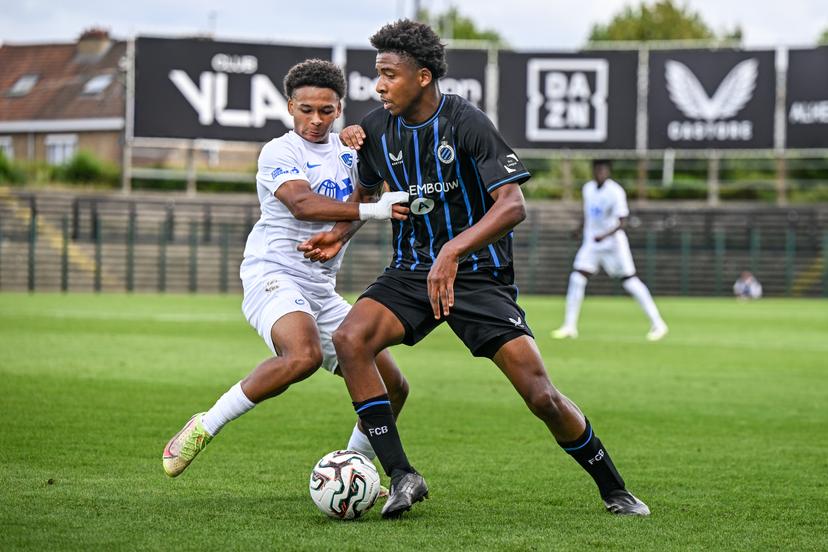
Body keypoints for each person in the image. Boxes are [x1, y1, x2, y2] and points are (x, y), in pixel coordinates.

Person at [299, 20, 650, 519]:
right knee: (351, 338)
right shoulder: (376, 128)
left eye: (388, 74)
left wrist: (453, 252)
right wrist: (339, 233)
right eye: (377, 74)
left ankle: (614, 488)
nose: (378, 85)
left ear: (423, 76)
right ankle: (402, 474)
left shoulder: (466, 121)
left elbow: (512, 205)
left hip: (478, 276)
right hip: (411, 270)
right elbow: (370, 196)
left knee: (541, 395)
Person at [162, 59, 411, 479]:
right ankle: (204, 426)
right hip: (271, 273)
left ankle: (353, 466)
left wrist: (341, 233)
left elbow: (357, 206)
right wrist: (371, 210)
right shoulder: (280, 151)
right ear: (290, 107)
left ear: (340, 108)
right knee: (304, 355)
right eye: (306, 109)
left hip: (321, 286)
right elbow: (303, 204)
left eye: (327, 111)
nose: (316, 120)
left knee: (394, 387)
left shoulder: (353, 150)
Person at [552, 160, 668, 341]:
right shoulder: (588, 189)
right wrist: (578, 229)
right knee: (577, 277)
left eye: (603, 170)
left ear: (608, 172)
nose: (600, 173)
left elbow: (622, 221)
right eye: (597, 170)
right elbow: (589, 214)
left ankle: (658, 323)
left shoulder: (616, 192)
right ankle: (569, 326)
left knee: (629, 280)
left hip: (614, 244)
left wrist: (605, 235)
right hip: (592, 243)